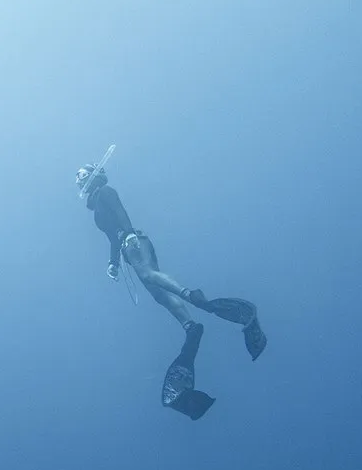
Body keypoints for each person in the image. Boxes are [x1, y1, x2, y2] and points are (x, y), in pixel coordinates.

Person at [76, 162, 266, 420]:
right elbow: (111, 237)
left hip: (135, 241)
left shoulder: (106, 192)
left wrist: (130, 234)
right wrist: (113, 263)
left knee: (148, 274)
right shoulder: (96, 210)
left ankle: (194, 297)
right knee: (158, 295)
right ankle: (191, 327)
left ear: (93, 174)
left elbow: (121, 212)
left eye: (81, 174)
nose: (77, 179)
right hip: (126, 250)